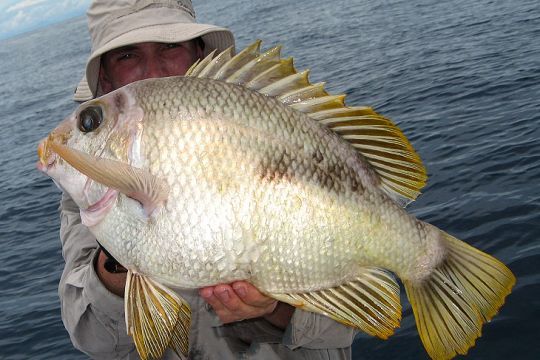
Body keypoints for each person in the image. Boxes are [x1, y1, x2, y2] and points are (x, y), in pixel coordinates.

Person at [60, 0, 357, 358]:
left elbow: (344, 327)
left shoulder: (273, 122)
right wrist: (119, 254)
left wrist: (275, 309)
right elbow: (92, 335)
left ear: (199, 52)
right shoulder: (89, 181)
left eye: (170, 47)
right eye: (127, 56)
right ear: (105, 78)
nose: (153, 70)